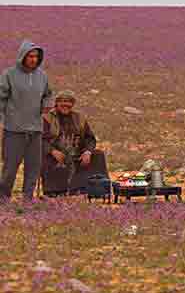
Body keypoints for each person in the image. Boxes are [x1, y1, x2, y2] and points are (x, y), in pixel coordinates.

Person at [0, 40, 53, 200]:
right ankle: (3, 198)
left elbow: (48, 94)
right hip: (14, 129)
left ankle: (27, 199)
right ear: (22, 56)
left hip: (36, 129)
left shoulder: (42, 75)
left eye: (36, 56)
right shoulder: (9, 74)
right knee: (10, 167)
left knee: (33, 167)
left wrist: (46, 105)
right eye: (30, 56)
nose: (33, 59)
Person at [41, 90, 110, 196]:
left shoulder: (79, 118)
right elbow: (40, 139)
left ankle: (95, 188)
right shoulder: (47, 118)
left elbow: (90, 138)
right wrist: (52, 151)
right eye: (63, 101)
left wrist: (87, 151)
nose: (66, 104)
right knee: (47, 158)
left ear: (72, 104)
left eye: (69, 102)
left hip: (76, 152)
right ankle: (55, 191)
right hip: (57, 154)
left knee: (98, 155)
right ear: (57, 103)